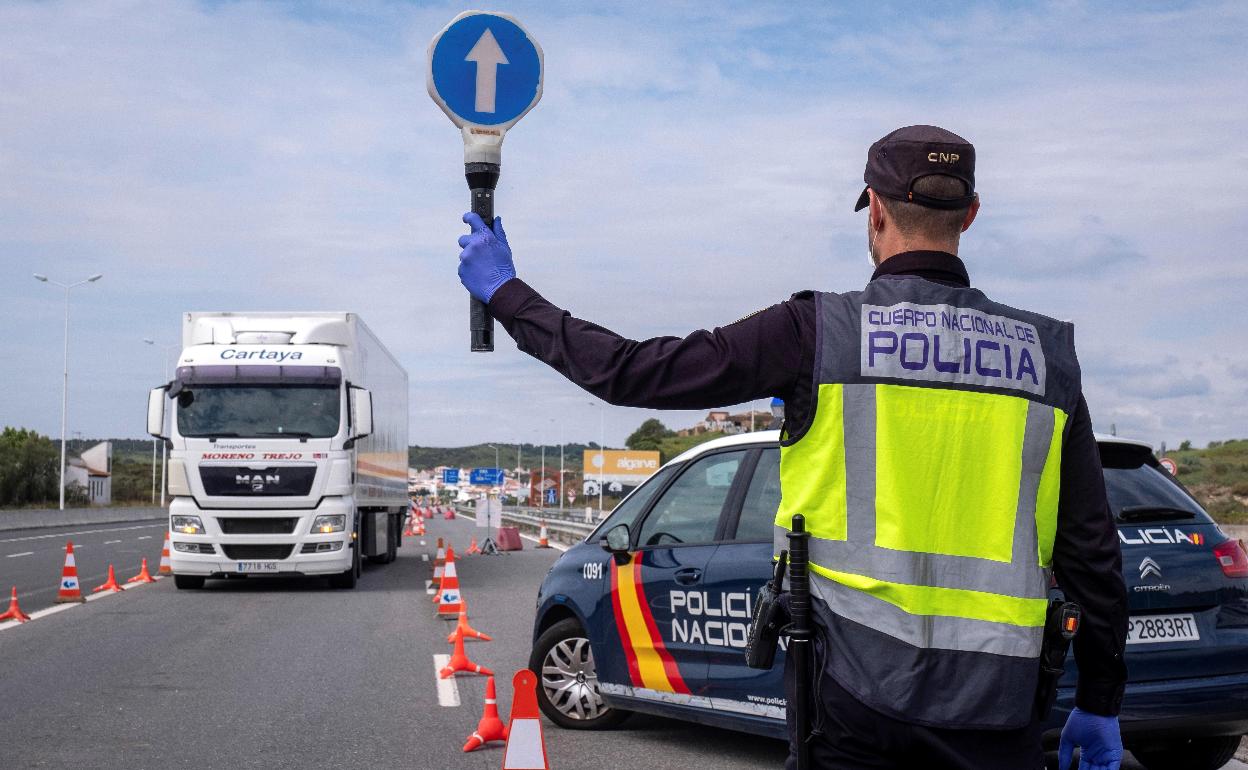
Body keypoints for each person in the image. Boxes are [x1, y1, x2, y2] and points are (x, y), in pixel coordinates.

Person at [455, 124, 1128, 770]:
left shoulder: (817, 332)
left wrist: (509, 294)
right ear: (970, 215)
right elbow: (1092, 553)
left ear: (875, 214)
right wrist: (1100, 701)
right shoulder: (1044, 357)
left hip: (854, 701)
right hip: (999, 705)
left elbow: (636, 370)